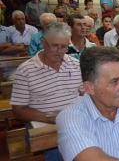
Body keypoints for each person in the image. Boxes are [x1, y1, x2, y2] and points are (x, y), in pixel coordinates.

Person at [11, 21, 83, 161]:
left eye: (64, 47)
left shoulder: (76, 65)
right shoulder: (26, 70)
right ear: (43, 42)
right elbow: (18, 109)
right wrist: (48, 118)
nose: (59, 51)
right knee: (57, 152)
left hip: (72, 122)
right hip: (43, 125)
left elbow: (84, 94)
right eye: (55, 46)